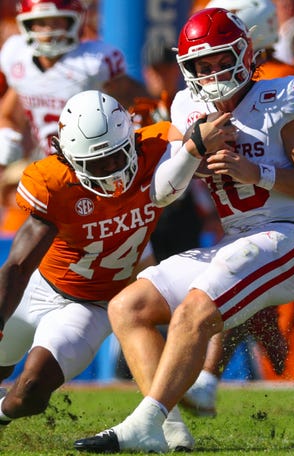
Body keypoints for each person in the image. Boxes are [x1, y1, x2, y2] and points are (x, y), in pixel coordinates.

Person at [73, 7, 294, 453]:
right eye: (201, 64)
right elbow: (162, 193)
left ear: (245, 53)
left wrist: (257, 172)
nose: (212, 72)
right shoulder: (186, 106)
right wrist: (193, 148)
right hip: (235, 238)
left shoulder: (284, 95)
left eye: (220, 60)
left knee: (194, 311)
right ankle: (170, 432)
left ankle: (142, 423)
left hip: (285, 234)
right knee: (128, 306)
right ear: (187, 68)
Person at [0, 89, 232, 450]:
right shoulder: (53, 182)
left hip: (90, 306)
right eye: (96, 164)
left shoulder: (157, 146)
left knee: (26, 395)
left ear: (131, 139)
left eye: (115, 157)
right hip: (41, 288)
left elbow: (192, 143)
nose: (111, 172)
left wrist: (198, 135)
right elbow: (17, 265)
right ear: (68, 158)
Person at [0, 0, 149, 169]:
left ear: (74, 21)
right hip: (48, 163)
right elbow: (10, 114)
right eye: (41, 23)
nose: (49, 31)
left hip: (97, 162)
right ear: (28, 23)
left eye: (56, 22)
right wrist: (5, 133)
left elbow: (138, 102)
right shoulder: (18, 58)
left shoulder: (94, 62)